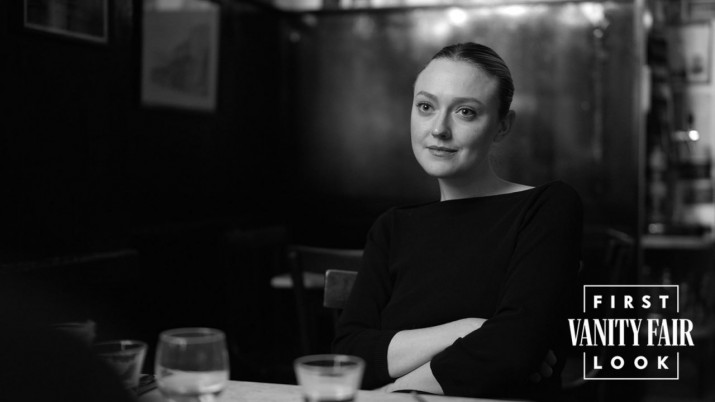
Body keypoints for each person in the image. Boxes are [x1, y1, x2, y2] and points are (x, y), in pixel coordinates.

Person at [332, 42, 583, 401]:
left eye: (466, 112)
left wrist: (395, 390)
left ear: (502, 126)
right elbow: (350, 354)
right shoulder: (392, 228)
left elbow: (514, 348)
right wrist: (469, 329)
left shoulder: (547, 207)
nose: (439, 129)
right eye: (426, 107)